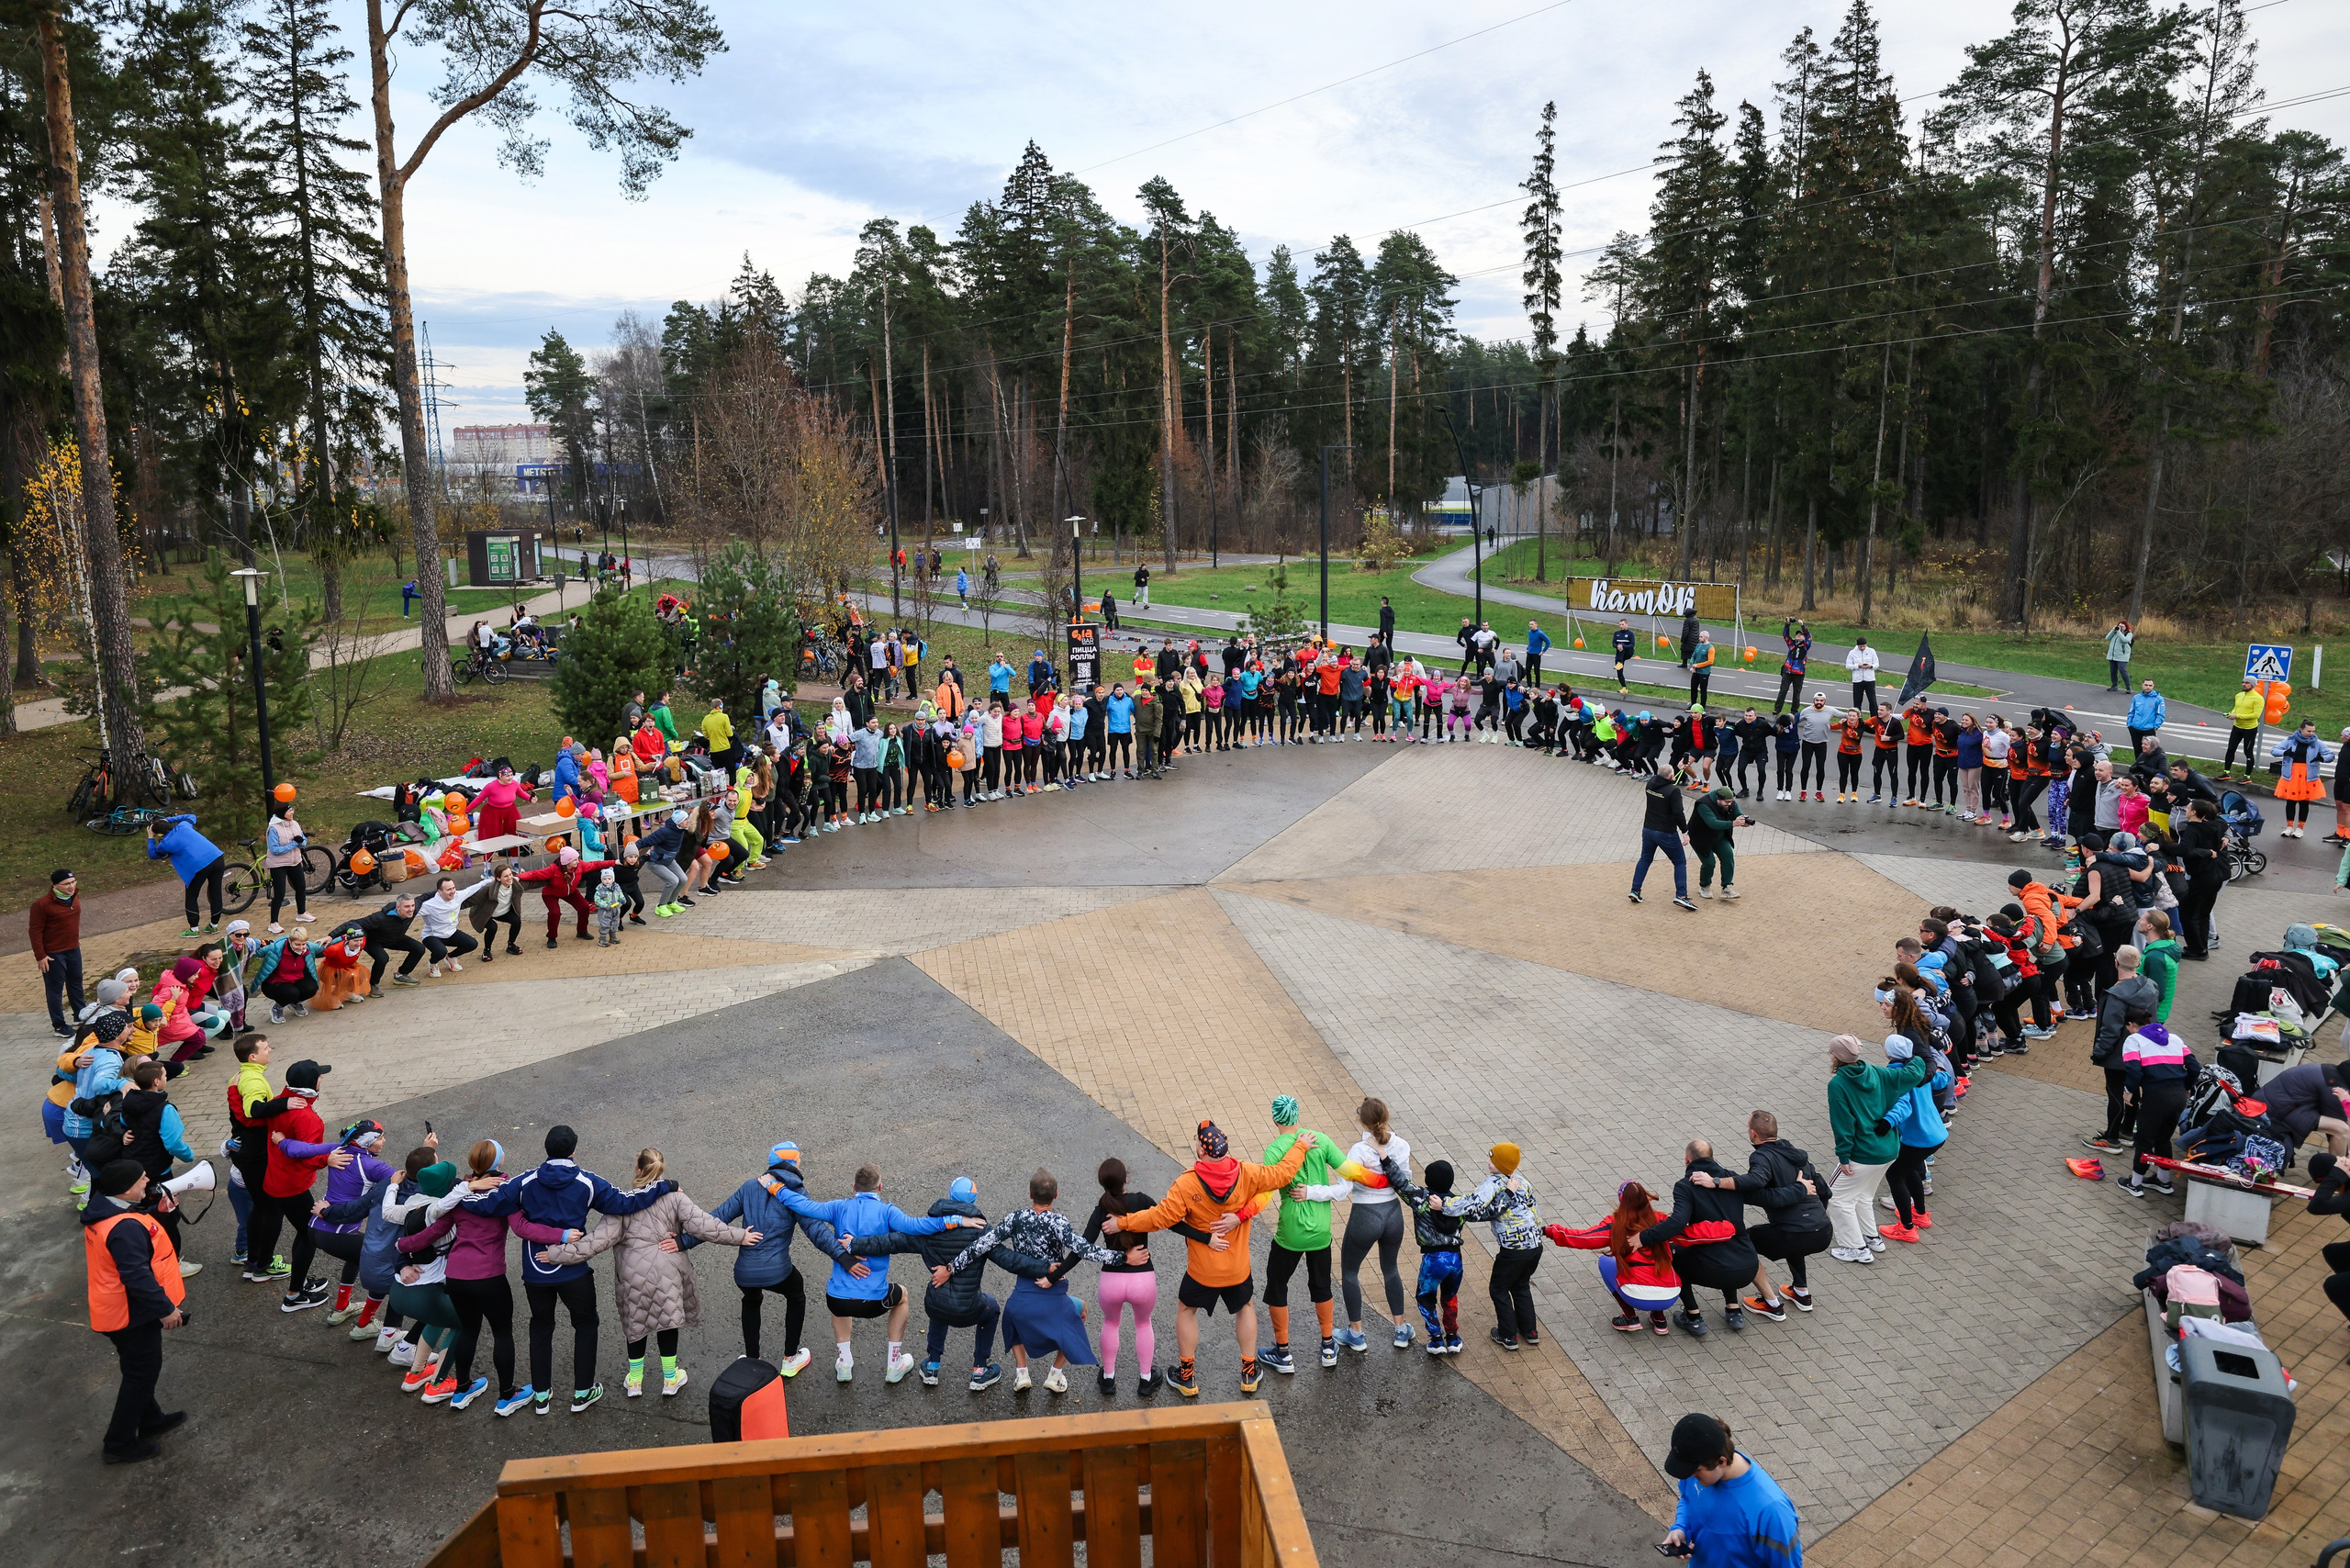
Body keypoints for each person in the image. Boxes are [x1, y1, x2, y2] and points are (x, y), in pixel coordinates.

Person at [460, 1126, 680, 1414]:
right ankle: (582, 1392)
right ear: (574, 1150)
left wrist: (463, 1188)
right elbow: (625, 1203)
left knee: (540, 1327)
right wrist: (665, 1185)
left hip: (536, 1269)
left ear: (546, 1148)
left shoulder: (524, 1181)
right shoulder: (587, 1181)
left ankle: (540, 1396)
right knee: (586, 1325)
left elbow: (488, 1206)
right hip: (574, 1269)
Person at [1102, 1119, 1309, 1396]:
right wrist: (1301, 1146)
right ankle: (1249, 1373)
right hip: (1237, 1268)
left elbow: (1159, 1217)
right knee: (1245, 1307)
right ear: (1226, 1147)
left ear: (1202, 1151)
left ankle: (1187, 1377)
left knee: (1187, 1310)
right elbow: (1283, 1174)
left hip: (1202, 1271)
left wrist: (1123, 1223)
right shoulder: (1248, 1173)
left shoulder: (1187, 1183)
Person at [533, 1148, 758, 1400]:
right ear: (660, 1170)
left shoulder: (620, 1202)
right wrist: (741, 1236)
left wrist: (556, 1254)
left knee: (636, 1323)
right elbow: (706, 1226)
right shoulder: (675, 1198)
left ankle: (636, 1381)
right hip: (668, 1270)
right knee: (667, 1320)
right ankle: (670, 1379)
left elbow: (596, 1242)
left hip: (633, 1273)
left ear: (638, 1169)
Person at [771, 1155, 981, 1384]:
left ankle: (845, 1364)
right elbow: (917, 1226)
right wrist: (956, 1220)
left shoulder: (838, 1207)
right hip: (873, 1302)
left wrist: (774, 1186)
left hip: (838, 1300)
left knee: (839, 1297)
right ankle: (894, 1364)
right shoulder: (887, 1212)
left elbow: (803, 1205)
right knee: (902, 1296)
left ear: (854, 1187)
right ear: (880, 1187)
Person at [851, 1174, 1052, 1393]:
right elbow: (1010, 1260)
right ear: (973, 1200)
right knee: (992, 1308)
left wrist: (854, 1244)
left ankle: (932, 1365)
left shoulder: (930, 1229)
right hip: (970, 1308)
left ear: (950, 1197)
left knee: (939, 1300)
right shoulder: (981, 1230)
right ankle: (979, 1370)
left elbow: (891, 1241)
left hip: (936, 1304)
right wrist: (1048, 1268)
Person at [929, 1169, 1122, 1394]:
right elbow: (1085, 1250)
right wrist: (1122, 1257)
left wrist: (951, 1268)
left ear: (1030, 1195)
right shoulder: (1058, 1222)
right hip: (1053, 1293)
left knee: (1012, 1317)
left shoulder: (1015, 1219)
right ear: (1056, 1195)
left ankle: (1022, 1372)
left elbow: (980, 1245)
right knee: (1080, 1311)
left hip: (1022, 1296)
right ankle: (1056, 1374)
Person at [82, 1159, 189, 1464]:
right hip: (130, 1315)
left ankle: (151, 1419)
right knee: (141, 1374)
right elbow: (137, 1276)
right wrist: (166, 1309)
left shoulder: (107, 1210)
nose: (147, 1181)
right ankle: (118, 1443)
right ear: (126, 1188)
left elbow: (133, 1231)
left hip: (114, 1310)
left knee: (138, 1370)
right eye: (142, 1178)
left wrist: (158, 1214)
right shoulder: (124, 1228)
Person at [1258, 1096, 1350, 1372]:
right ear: (1298, 1115)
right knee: (1321, 1285)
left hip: (1291, 1233)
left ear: (1275, 1119)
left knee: (1277, 1286)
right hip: (1321, 1232)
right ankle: (1327, 1346)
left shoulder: (1274, 1150)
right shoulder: (1320, 1138)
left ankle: (1283, 1353)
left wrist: (1240, 1215)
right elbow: (1350, 1172)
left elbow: (1265, 1191)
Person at [1424, 1142, 1545, 1349]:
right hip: (1534, 1246)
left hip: (1513, 1249)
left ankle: (1508, 1336)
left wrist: (1444, 1205)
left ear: (1501, 1164)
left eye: (1492, 1159)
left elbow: (1473, 1203)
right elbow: (1533, 1211)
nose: (1487, 1162)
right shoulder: (1522, 1182)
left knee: (1498, 1288)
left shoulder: (1494, 1183)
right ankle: (1530, 1331)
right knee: (1521, 1285)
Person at [1825, 1034, 1931, 1263]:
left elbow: (1842, 1124)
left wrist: (1843, 1156)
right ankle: (1872, 1238)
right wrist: (1920, 1056)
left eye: (1831, 1052)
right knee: (1863, 1195)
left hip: (1862, 1153)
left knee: (1837, 1199)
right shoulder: (1876, 1071)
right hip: (1889, 1150)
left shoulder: (1838, 1084)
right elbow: (1912, 1074)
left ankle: (1856, 1249)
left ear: (1836, 1057)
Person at [1643, 1140, 1761, 1334]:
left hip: (1714, 1269)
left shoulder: (1685, 1186)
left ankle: (1693, 1316)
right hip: (1748, 1266)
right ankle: (1734, 1310)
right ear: (1713, 1159)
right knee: (1727, 1246)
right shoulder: (1731, 1180)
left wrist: (1645, 1237)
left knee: (1673, 1257)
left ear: (1686, 1160)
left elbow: (1678, 1222)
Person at [1660, 1413, 1803, 1568]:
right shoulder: (1697, 1465)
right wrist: (1681, 1528)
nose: (1690, 1476)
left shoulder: (1772, 1511)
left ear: (1721, 1461)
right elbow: (1687, 1499)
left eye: (1697, 1471)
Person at [1337, 1097, 1412, 1351]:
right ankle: (1401, 1330)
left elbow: (1345, 1187)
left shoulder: (1359, 1150)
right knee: (1390, 1269)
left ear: (1362, 1120)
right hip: (1393, 1213)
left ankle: (1356, 1334)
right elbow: (1404, 1179)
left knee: (1349, 1271)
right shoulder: (1402, 1145)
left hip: (1366, 1214)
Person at [2120, 1022, 2198, 1198]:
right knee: (2163, 1138)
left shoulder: (2135, 1040)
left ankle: (2135, 1184)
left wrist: (2129, 1090)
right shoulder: (2175, 1039)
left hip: (2155, 1097)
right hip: (2178, 1097)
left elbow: (2134, 1070)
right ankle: (2163, 1181)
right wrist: (2186, 1086)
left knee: (2144, 1140)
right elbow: (2195, 1068)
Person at [146, 814, 226, 936]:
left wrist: (150, 837)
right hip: (217, 858)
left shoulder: (165, 844)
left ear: (159, 835)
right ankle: (213, 926)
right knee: (215, 892)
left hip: (199, 867)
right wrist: (169, 819)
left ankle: (194, 929)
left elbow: (153, 854)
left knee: (192, 896)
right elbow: (191, 816)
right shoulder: (184, 826)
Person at [1630, 772, 1697, 912]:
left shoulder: (1650, 784)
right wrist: (1685, 831)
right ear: (1671, 776)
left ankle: (1635, 891)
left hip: (1648, 829)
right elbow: (1678, 813)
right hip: (1666, 833)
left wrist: (1677, 770)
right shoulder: (1673, 791)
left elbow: (1663, 777)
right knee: (1679, 862)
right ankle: (1681, 895)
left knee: (1645, 859)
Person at [33, 868, 84, 1039]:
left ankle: (81, 1014)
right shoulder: (42, 905)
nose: (72, 886)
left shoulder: (74, 897)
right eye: (67, 884)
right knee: (55, 989)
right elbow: (35, 931)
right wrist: (40, 955)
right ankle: (59, 1025)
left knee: (76, 982)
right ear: (55, 886)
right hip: (53, 954)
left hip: (73, 949)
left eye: (73, 882)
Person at [2271, 719, 2333, 838]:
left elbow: (2330, 755)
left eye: (2313, 731)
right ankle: (2289, 827)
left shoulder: (2317, 743)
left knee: (2304, 802)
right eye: (2309, 731)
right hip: (2292, 774)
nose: (2311, 734)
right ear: (2301, 730)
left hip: (2308, 776)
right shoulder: (2290, 740)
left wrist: (2321, 758)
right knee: (2290, 801)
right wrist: (2285, 753)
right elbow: (2274, 750)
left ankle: (2300, 828)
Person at [1689, 787, 1752, 902]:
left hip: (1719, 837)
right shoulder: (1703, 805)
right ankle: (1704, 886)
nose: (1729, 804)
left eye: (1731, 801)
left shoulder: (1730, 803)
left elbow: (1738, 815)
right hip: (1701, 838)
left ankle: (1727, 887)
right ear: (1718, 799)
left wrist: (1744, 822)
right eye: (1726, 802)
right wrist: (1734, 823)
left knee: (1728, 856)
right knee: (1709, 863)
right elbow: (1713, 823)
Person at [354, 894, 428, 990]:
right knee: (383, 958)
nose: (411, 909)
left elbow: (425, 896)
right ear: (398, 907)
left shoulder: (413, 909)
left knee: (419, 948)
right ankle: (373, 984)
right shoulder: (380, 917)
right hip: (374, 941)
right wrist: (331, 936)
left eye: (412, 906)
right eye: (407, 906)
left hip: (394, 938)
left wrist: (449, 892)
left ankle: (400, 975)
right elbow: (354, 923)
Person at [262, 801, 312, 932]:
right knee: (280, 893)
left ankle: (301, 913)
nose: (292, 812)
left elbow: (302, 839)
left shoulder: (295, 823)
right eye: (289, 811)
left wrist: (301, 842)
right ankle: (273, 923)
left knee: (301, 887)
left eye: (292, 810)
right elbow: (275, 850)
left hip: (295, 861)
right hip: (278, 864)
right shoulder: (273, 828)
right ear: (282, 813)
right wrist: (294, 844)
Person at [2222, 678, 2263, 778]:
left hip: (2250, 729)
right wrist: (2231, 714)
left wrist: (2237, 716)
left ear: (2253, 685)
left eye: (2247, 683)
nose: (2244, 684)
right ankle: (2226, 772)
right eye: (2243, 682)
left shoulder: (2258, 698)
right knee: (2231, 749)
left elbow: (2256, 715)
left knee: (2248, 751)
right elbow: (2236, 708)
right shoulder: (2239, 695)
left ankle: (2247, 776)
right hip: (2237, 727)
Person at [2128, 678, 2166, 756]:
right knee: (2137, 749)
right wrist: (2129, 724)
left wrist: (2155, 726)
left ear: (2153, 686)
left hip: (2149, 729)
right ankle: (2138, 766)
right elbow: (2132, 711)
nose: (2148, 687)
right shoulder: (2136, 697)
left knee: (2150, 751)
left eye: (2150, 685)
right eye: (2146, 685)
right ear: (2142, 685)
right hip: (2135, 728)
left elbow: (2161, 714)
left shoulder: (2158, 699)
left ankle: (2149, 767)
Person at [1844, 635, 1880, 714]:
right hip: (1857, 680)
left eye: (1864, 646)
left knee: (1872, 700)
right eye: (1861, 646)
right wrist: (1858, 666)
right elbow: (1848, 666)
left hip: (1869, 680)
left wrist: (1871, 666)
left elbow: (1877, 664)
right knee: (1857, 701)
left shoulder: (1871, 651)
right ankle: (1857, 719)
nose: (1862, 648)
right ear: (1857, 646)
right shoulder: (1852, 653)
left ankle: (1874, 718)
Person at [2105, 619, 2134, 690]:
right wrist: (2113, 630)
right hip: (2113, 655)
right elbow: (2107, 638)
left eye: (2123, 627)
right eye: (2119, 626)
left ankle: (2128, 687)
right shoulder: (2115, 633)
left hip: (2122, 656)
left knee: (2122, 670)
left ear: (2126, 627)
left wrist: (2119, 632)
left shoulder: (2129, 634)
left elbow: (2125, 640)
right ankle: (2114, 686)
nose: (2120, 628)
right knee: (2113, 671)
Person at [1688, 630, 1715, 706]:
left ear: (1706, 638)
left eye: (1701, 637)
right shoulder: (1699, 645)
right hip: (1696, 672)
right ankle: (1693, 705)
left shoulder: (1710, 648)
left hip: (1704, 673)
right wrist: (1692, 665)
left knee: (1703, 690)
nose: (1699, 638)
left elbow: (1710, 661)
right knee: (1693, 688)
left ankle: (1702, 706)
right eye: (1699, 636)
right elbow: (1693, 656)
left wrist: (1697, 665)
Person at [1611, 619, 1635, 693]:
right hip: (1619, 654)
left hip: (1628, 652)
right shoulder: (1616, 633)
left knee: (1622, 645)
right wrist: (1618, 646)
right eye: (1620, 625)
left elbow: (1632, 644)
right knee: (1619, 672)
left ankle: (1620, 662)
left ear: (1626, 624)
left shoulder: (1630, 634)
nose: (1621, 626)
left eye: (1623, 624)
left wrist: (1623, 646)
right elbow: (1614, 644)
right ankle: (1624, 688)